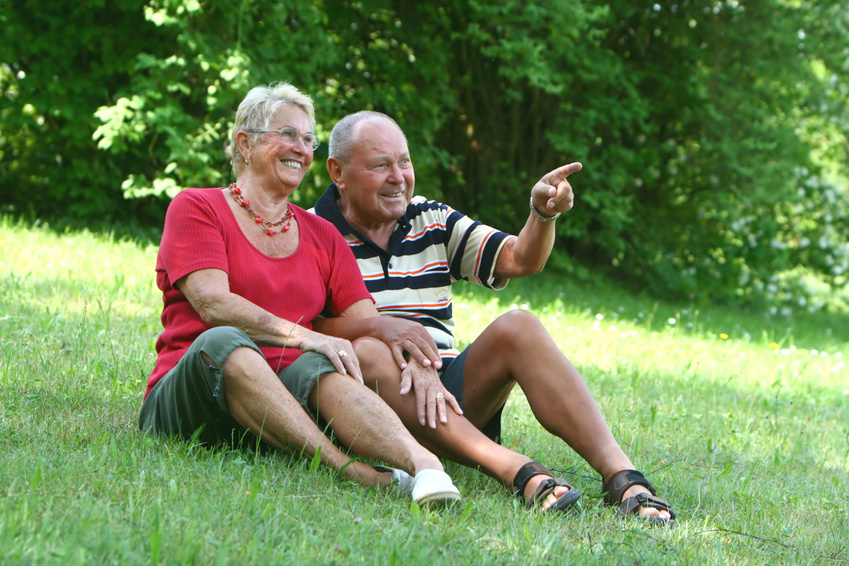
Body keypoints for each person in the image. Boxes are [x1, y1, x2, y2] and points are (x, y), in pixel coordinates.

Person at [312, 111, 676, 524]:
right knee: (368, 353)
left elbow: (520, 258)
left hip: (449, 391)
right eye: (381, 165)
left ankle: (623, 478)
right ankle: (517, 470)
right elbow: (301, 329)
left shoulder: (429, 218)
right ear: (338, 171)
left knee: (519, 324)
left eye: (405, 161)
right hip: (374, 407)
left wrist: (542, 214)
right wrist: (385, 330)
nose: (398, 177)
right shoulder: (311, 231)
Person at [138, 85, 461, 507]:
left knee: (324, 366)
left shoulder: (322, 235)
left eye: (309, 139)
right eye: (288, 134)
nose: (301, 149)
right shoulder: (197, 207)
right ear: (245, 143)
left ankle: (425, 466)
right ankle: (355, 472)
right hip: (193, 396)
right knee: (226, 340)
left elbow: (368, 327)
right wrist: (306, 335)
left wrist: (418, 361)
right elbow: (212, 304)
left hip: (281, 410)